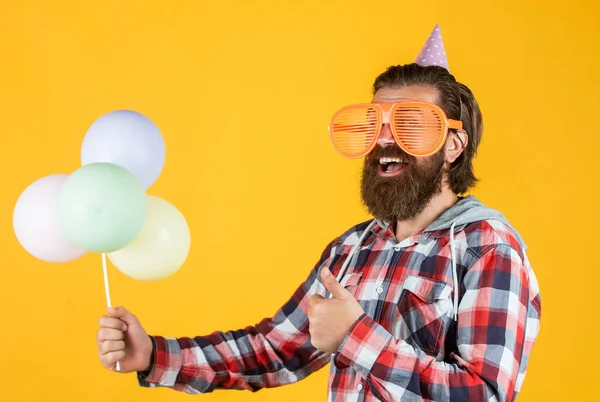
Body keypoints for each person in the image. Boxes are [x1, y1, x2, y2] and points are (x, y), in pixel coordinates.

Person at [96, 25, 541, 401]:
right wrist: (155, 356)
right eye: (375, 124)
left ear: (453, 146)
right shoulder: (353, 248)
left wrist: (355, 336)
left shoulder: (488, 247)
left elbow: (484, 391)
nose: (385, 140)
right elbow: (275, 350)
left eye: (411, 124)